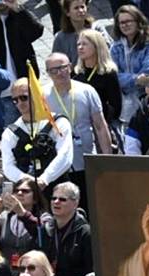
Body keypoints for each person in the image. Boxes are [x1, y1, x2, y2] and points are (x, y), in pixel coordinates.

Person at [43, 52, 113, 206]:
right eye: (53, 70)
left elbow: (100, 126)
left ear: (70, 67)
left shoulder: (87, 90)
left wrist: (108, 159)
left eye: (62, 67)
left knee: (89, 204)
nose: (59, 73)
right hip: (58, 164)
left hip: (85, 159)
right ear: (47, 73)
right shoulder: (43, 95)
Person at [0, 78, 73, 189]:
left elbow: (65, 156)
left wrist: (45, 179)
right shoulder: (10, 133)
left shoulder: (58, 122)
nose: (19, 103)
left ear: (37, 95)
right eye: (15, 100)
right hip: (26, 189)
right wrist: (30, 182)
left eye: (24, 98)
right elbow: (8, 166)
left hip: (58, 187)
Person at [111, 5, 149, 123]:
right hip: (122, 102)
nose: (125, 25)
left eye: (129, 21)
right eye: (122, 22)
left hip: (147, 98)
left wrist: (126, 79)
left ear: (138, 22)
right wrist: (136, 79)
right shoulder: (115, 48)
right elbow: (113, 76)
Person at [0, 177, 41, 265]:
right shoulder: (4, 217)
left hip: (31, 269)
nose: (19, 193)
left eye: (25, 191)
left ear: (35, 199)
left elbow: (41, 234)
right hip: (5, 270)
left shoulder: (44, 218)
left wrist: (22, 213)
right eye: (16, 191)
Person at [73, 29, 123, 128]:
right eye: (78, 44)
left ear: (96, 46)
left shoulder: (108, 73)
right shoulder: (76, 73)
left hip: (101, 125)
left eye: (84, 44)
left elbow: (116, 107)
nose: (80, 47)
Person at [53, 0, 112, 66]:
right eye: (76, 8)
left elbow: (109, 49)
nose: (81, 10)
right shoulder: (60, 38)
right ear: (67, 12)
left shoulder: (97, 28)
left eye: (82, 7)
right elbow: (56, 61)